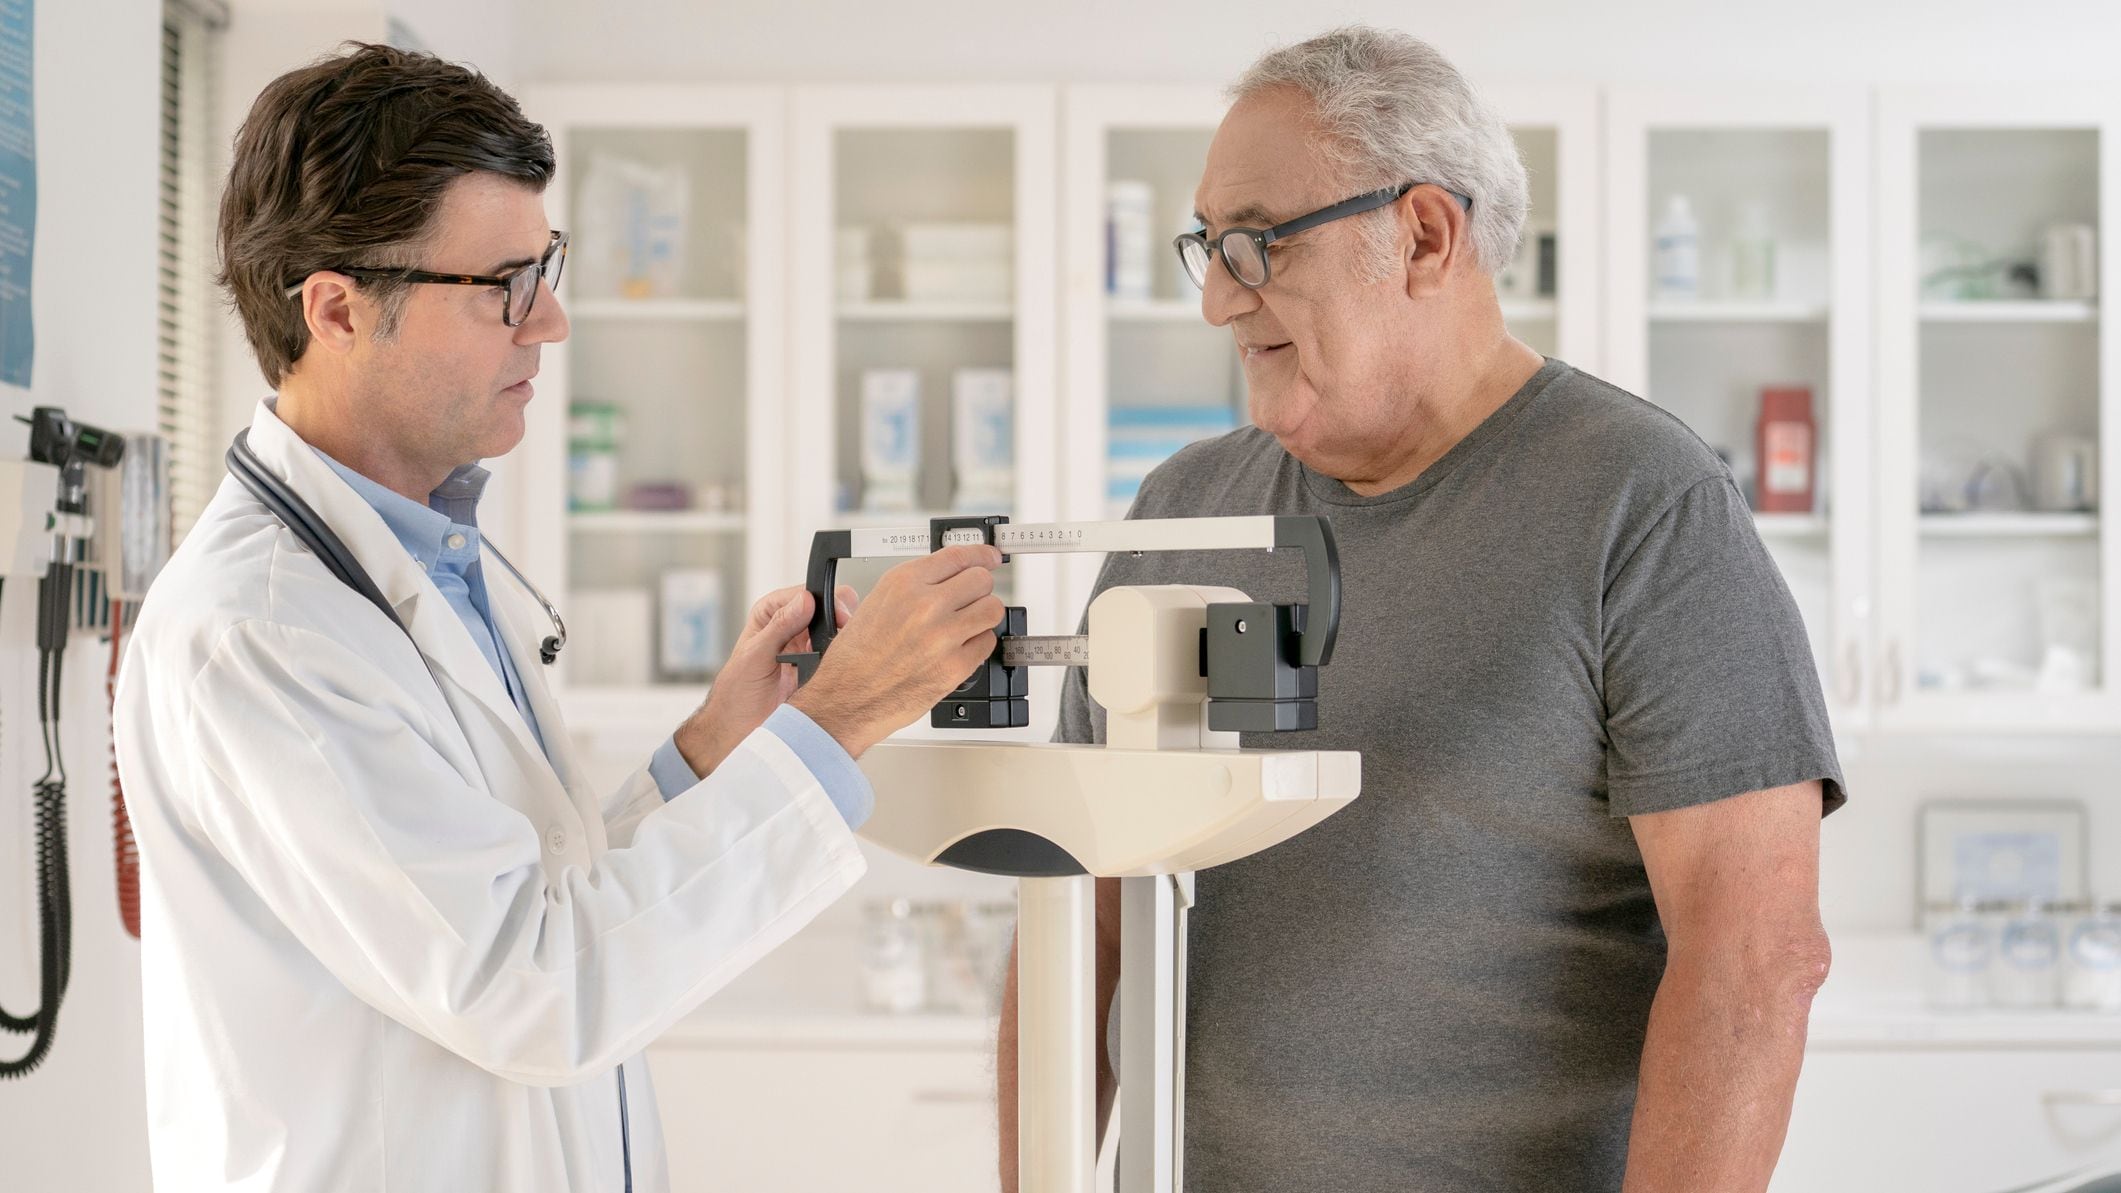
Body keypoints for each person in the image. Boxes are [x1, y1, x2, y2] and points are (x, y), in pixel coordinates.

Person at [112, 43, 1005, 1193]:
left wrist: (703, 758)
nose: (553, 324)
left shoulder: (420, 556)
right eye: (505, 287)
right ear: (335, 307)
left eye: (548, 268)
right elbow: (536, 984)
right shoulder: (260, 635)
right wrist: (833, 726)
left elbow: (527, 899)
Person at [997, 26, 1842, 1192]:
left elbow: (1753, 957)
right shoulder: (1184, 510)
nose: (1218, 302)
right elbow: (1077, 922)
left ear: (1424, 235)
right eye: (1210, 247)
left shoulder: (1643, 505)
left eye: (1255, 244)